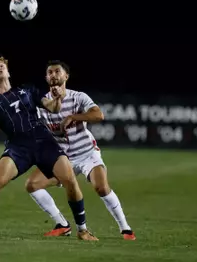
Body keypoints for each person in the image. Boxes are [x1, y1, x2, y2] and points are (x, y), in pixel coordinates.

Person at [0, 56, 98, 241]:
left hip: (44, 142)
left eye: (2, 66)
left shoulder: (27, 90)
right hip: (17, 147)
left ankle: (82, 229)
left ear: (8, 72)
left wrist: (58, 98)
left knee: (70, 180)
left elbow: (52, 108)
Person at [25, 60, 136, 240]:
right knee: (32, 184)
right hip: (61, 158)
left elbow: (98, 115)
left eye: (57, 71)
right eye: (50, 72)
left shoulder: (78, 97)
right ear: (46, 78)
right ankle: (62, 224)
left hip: (86, 153)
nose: (53, 75)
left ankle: (125, 228)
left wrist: (73, 116)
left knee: (101, 187)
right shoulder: (43, 104)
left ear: (66, 76)